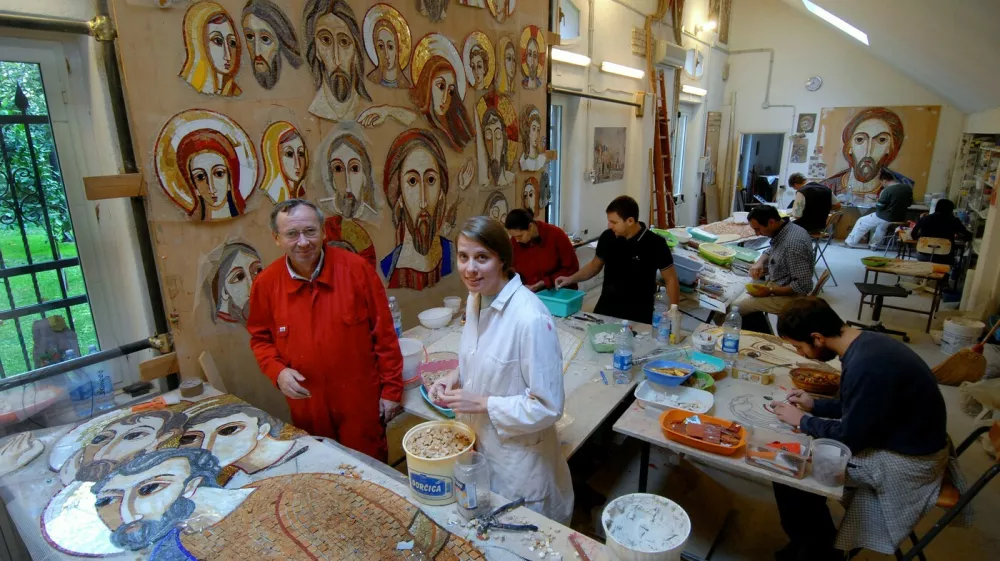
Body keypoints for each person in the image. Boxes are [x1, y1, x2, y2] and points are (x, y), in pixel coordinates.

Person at [770, 298, 967, 560]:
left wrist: (802, 420)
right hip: (908, 437)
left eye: (800, 347)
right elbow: (862, 406)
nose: (801, 354)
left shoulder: (866, 365)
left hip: (909, 461)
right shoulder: (866, 344)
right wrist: (814, 405)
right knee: (801, 454)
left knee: (790, 463)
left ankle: (818, 552)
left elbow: (849, 440)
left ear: (817, 338)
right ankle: (813, 542)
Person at [432, 216, 574, 524]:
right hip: (479, 445)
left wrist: (483, 403)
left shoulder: (531, 318)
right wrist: (455, 375)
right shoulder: (476, 300)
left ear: (503, 261)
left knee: (524, 541)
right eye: (463, 257)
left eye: (482, 258)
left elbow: (549, 407)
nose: (470, 268)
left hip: (519, 462)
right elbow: (484, 355)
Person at [247, 199, 403, 461]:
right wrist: (278, 372)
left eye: (310, 231)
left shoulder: (356, 270)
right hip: (307, 404)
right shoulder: (266, 285)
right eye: (292, 234)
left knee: (371, 472)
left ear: (324, 232)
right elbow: (260, 339)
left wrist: (391, 392)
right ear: (277, 238)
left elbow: (385, 335)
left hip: (360, 402)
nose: (303, 242)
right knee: (323, 467)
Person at [554, 196, 680, 324]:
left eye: (614, 222)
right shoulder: (608, 237)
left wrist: (673, 310)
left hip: (639, 314)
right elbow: (594, 266)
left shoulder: (655, 243)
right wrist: (570, 279)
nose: (610, 226)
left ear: (630, 221)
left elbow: (670, 279)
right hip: (606, 308)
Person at [732, 205, 814, 332]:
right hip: (778, 283)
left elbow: (803, 286)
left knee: (732, 307)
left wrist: (770, 291)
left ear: (771, 222)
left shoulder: (792, 245)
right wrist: (760, 262)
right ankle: (758, 328)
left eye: (758, 229)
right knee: (740, 293)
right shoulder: (786, 229)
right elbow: (771, 249)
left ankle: (748, 338)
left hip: (792, 296)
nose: (757, 234)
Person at [505, 208, 579, 292]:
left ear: (530, 226)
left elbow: (571, 268)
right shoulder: (515, 242)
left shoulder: (556, 235)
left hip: (558, 292)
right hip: (531, 294)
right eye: (514, 237)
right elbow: (512, 268)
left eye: (520, 236)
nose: (517, 240)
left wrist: (544, 282)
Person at [845, 169, 913, 249]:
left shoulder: (887, 190)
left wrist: (878, 201)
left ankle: (850, 243)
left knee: (862, 221)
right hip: (900, 217)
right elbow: (909, 203)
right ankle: (873, 245)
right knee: (882, 226)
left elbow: (880, 207)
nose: (882, 185)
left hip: (886, 216)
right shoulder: (907, 188)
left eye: (881, 183)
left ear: (884, 181)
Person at [910, 198, 972, 264]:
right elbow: (967, 235)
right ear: (951, 210)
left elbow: (913, 234)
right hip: (944, 257)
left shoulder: (925, 219)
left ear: (936, 207)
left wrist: (922, 238)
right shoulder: (954, 221)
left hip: (923, 255)